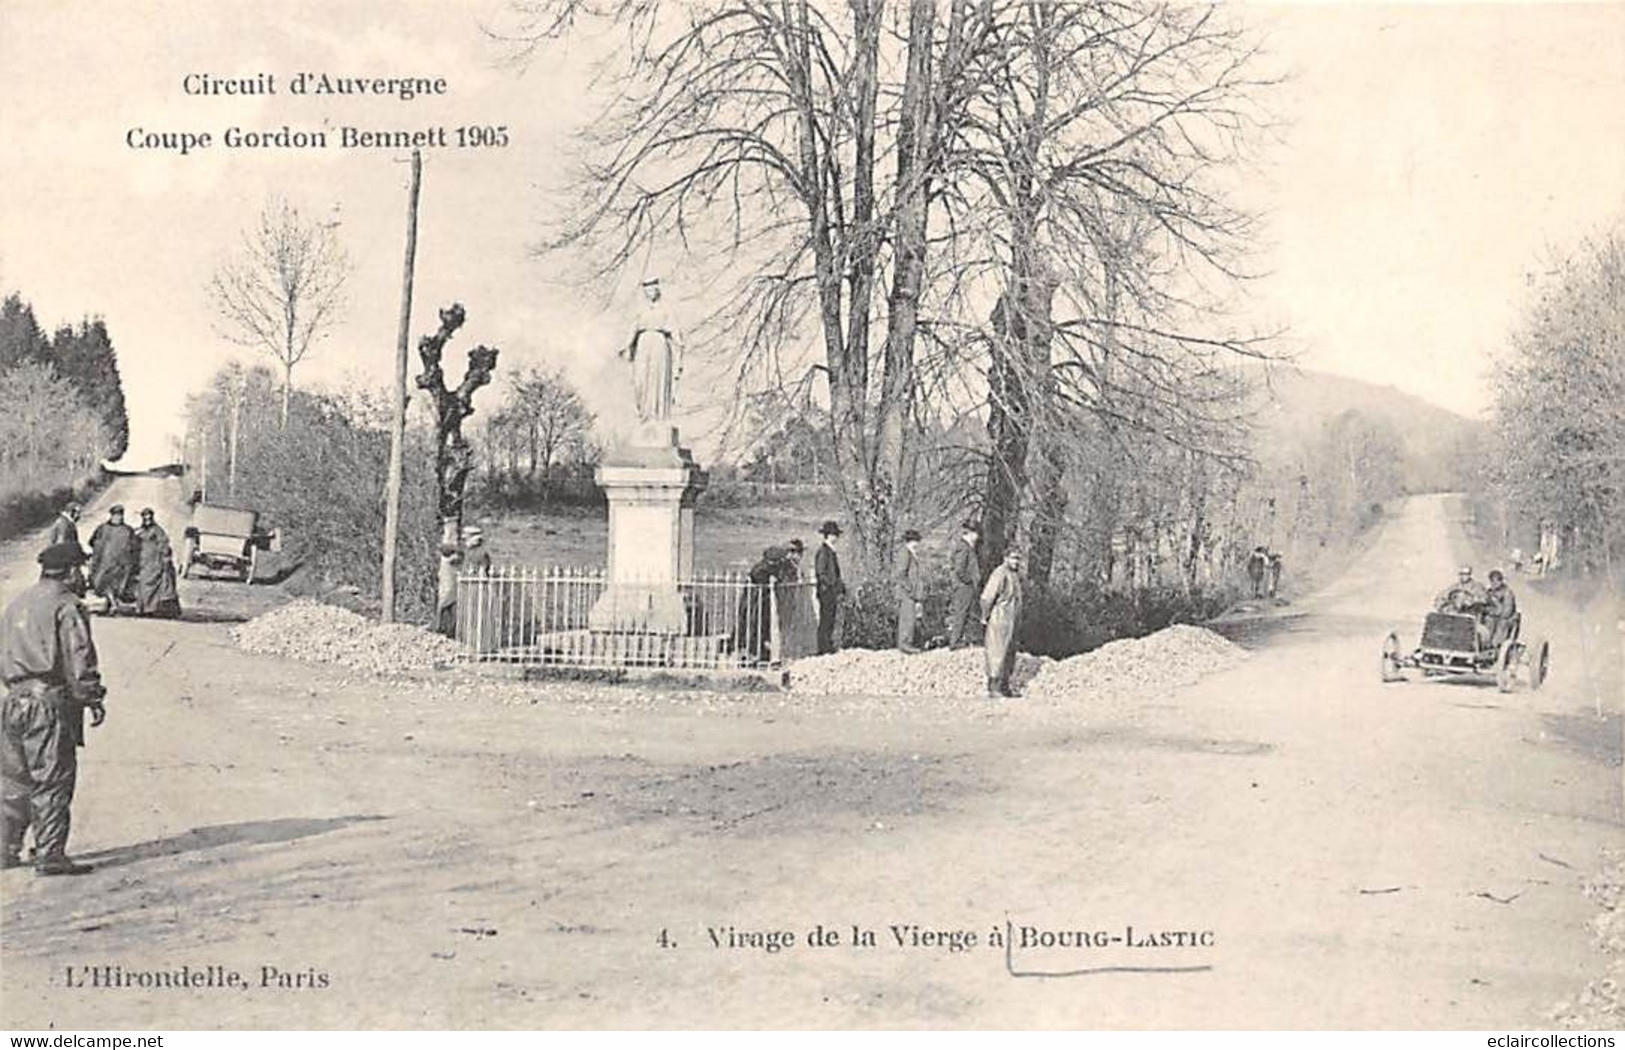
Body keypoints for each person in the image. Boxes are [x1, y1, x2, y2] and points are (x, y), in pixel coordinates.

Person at [2, 542, 107, 875]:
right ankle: (50, 855)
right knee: (52, 779)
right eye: (81, 569)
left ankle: (5, 849)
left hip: (13, 701)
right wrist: (92, 696)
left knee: (13, 780)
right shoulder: (67, 606)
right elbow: (79, 659)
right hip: (47, 705)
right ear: (72, 570)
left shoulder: (18, 604)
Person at [621, 277, 684, 424]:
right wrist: (625, 346)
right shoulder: (640, 310)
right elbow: (632, 329)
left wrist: (679, 350)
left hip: (659, 344)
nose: (650, 292)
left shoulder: (666, 309)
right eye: (647, 289)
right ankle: (643, 414)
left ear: (657, 289)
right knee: (640, 381)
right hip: (643, 344)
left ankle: (657, 416)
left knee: (657, 379)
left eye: (652, 288)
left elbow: (675, 331)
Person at [981, 549, 1025, 698]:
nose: (1016, 561)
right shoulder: (999, 573)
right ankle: (994, 688)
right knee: (997, 652)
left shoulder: (1014, 575)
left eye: (1018, 558)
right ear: (1005, 558)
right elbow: (987, 597)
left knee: (1009, 653)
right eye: (1013, 558)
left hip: (1012, 620)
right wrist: (985, 616)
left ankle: (1005, 686)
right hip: (999, 619)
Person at [87, 505, 138, 609]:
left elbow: (135, 547)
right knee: (104, 583)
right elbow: (92, 542)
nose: (118, 517)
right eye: (116, 515)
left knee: (118, 585)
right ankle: (112, 603)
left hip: (122, 564)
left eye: (120, 515)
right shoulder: (102, 529)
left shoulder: (128, 530)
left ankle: (112, 603)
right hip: (105, 563)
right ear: (111, 516)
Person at [133, 508, 181, 618]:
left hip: (155, 562)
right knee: (142, 585)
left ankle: (150, 609)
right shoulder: (140, 530)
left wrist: (165, 557)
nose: (147, 520)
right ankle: (142, 608)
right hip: (143, 561)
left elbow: (163, 544)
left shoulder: (158, 530)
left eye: (149, 518)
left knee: (150, 585)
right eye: (145, 518)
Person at [946, 520, 982, 648]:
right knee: (961, 613)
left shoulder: (965, 547)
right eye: (976, 534)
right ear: (971, 533)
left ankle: (963, 639)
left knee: (966, 613)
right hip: (963, 587)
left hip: (964, 586)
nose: (977, 537)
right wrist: (969, 581)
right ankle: (955, 642)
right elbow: (959, 569)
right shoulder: (964, 547)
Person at [814, 520, 844, 655]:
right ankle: (823, 647)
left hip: (831, 590)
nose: (836, 537)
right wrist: (830, 586)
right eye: (834, 534)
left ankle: (828, 645)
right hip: (826, 591)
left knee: (830, 618)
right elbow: (821, 573)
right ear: (828, 535)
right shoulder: (823, 552)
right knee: (826, 618)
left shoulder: (830, 551)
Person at [895, 529, 926, 653]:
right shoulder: (905, 553)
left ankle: (909, 642)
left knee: (912, 618)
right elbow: (901, 574)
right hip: (907, 593)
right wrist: (911, 590)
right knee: (907, 618)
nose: (917, 543)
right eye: (915, 541)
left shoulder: (910, 553)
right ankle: (905, 643)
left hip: (911, 592)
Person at [1484, 569, 1519, 647]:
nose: (1494, 583)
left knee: (1501, 623)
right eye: (1492, 581)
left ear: (1501, 581)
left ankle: (1495, 645)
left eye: (1496, 581)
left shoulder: (1507, 593)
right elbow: (1484, 603)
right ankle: (1483, 642)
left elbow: (1507, 612)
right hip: (1493, 616)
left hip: (1507, 619)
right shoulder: (1489, 591)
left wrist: (1492, 611)